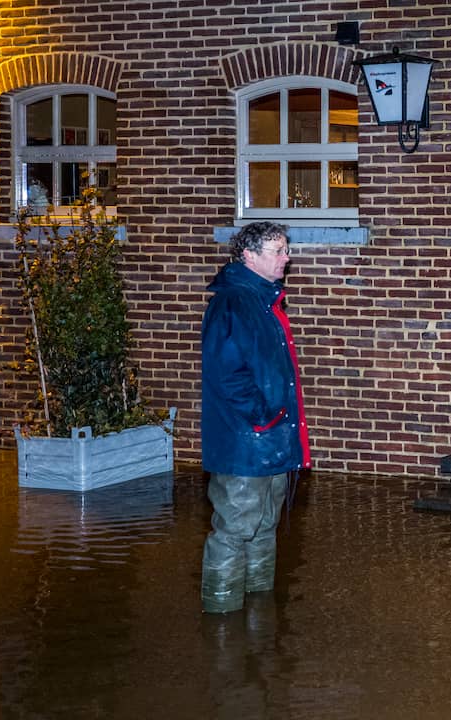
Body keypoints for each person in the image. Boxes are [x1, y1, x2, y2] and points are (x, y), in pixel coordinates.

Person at [199, 222, 310, 614]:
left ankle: (258, 613)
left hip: (271, 436)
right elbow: (227, 374)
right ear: (248, 256)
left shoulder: (262, 300)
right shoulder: (234, 303)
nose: (287, 257)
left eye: (286, 248)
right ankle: (222, 617)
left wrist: (277, 422)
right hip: (246, 440)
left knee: (264, 526)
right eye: (278, 250)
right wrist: (263, 417)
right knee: (235, 529)